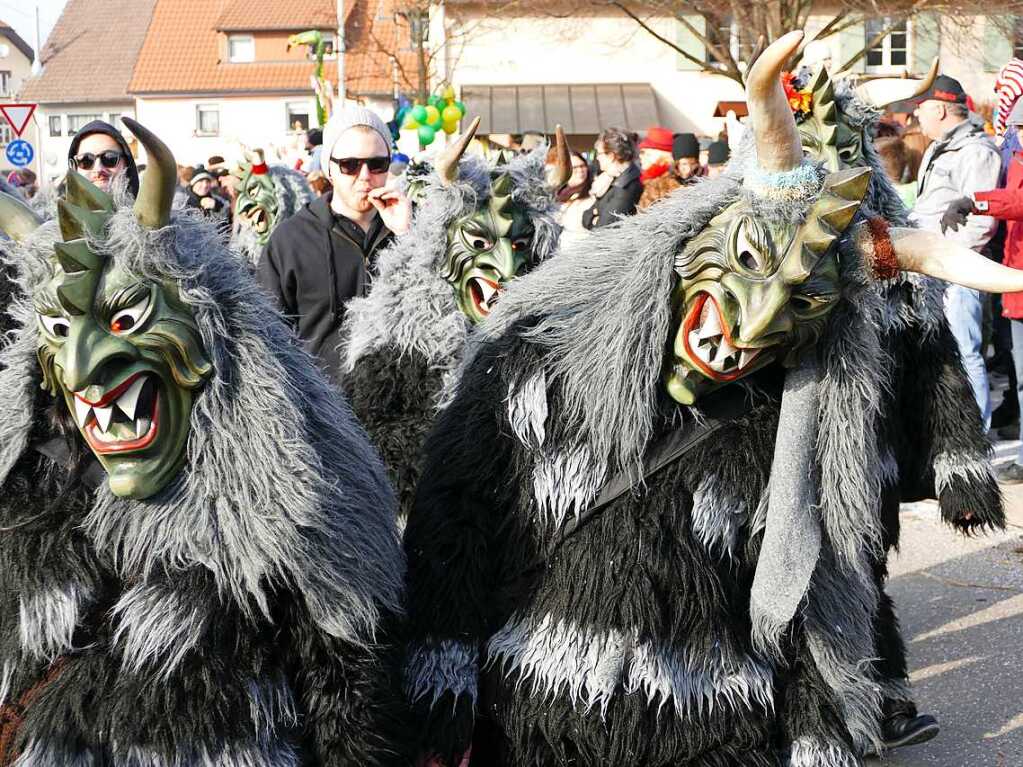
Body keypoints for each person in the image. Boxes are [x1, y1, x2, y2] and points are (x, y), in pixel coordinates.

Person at [402, 33, 1023, 766]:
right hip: (537, 714)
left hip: (714, 726)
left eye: (792, 314)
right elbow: (458, 519)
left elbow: (817, 593)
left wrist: (815, 733)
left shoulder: (803, 420)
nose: (745, 333)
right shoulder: (535, 359)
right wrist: (439, 684)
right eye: (750, 277)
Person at [0, 118, 410, 766]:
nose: (84, 363)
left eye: (126, 319)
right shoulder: (29, 491)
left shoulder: (288, 494)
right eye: (61, 328)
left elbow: (345, 674)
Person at [342, 120, 567, 518]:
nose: (506, 266)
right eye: (480, 244)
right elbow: (373, 431)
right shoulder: (400, 337)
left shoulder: (545, 339)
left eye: (518, 245)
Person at [258, 105, 411, 385]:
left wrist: (407, 236)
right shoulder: (291, 239)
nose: (364, 175)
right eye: (350, 165)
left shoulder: (411, 231)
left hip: (399, 408)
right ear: (329, 168)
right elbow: (267, 339)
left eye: (377, 164)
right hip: (323, 409)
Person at [911, 75, 1001, 431]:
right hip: (931, 269)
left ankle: (976, 437)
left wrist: (949, 263)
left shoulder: (976, 151)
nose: (916, 115)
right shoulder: (939, 146)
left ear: (940, 109)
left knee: (966, 352)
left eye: (921, 108)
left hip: (955, 270)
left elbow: (982, 222)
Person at [943, 97, 1023, 482]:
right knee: (1020, 378)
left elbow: (1019, 202)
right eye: (1018, 130)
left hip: (1015, 281)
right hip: (1015, 287)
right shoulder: (1018, 161)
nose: (1020, 137)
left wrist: (976, 200)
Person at [583, 126, 641, 228]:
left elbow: (603, 228)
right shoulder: (610, 179)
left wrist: (595, 218)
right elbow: (585, 217)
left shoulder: (626, 185)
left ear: (611, 155)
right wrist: (594, 217)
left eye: (599, 153)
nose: (597, 157)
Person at [67, 119, 139, 195]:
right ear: (74, 168)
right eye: (86, 160)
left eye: (109, 158)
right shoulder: (56, 206)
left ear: (126, 163)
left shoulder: (148, 206)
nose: (98, 169)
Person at [556, 150, 595, 242]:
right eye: (575, 167)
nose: (580, 170)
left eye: (582, 166)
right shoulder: (557, 193)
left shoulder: (594, 193)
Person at [636, 126, 679, 208]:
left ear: (663, 158)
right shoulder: (649, 181)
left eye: (647, 153)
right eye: (641, 152)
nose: (641, 156)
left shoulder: (663, 186)